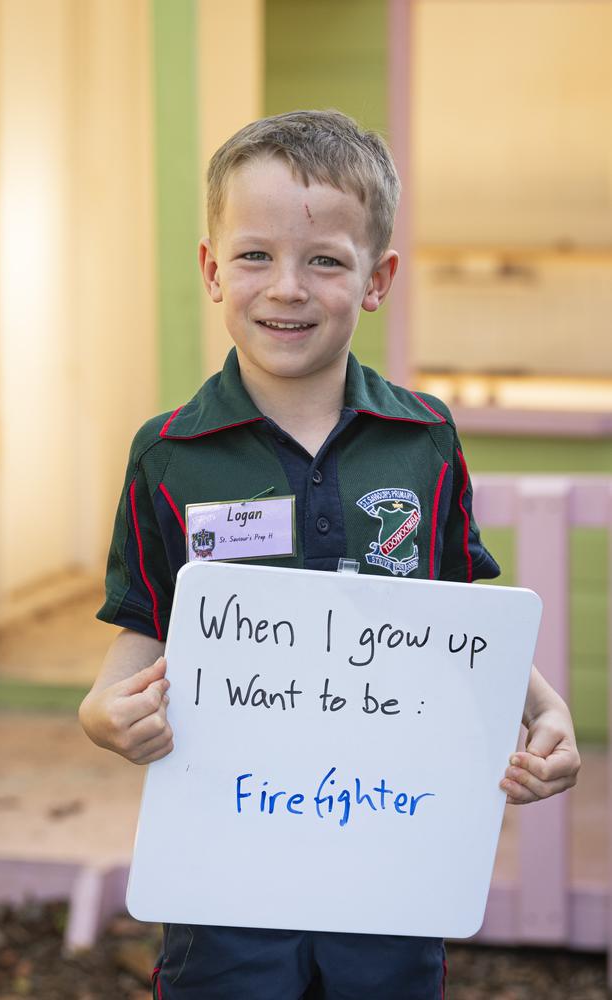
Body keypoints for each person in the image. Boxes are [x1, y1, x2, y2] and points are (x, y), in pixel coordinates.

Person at [79, 109, 580, 999]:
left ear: (377, 278)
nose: (287, 288)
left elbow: (461, 614)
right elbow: (142, 625)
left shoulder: (426, 438)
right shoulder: (167, 454)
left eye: (324, 260)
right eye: (255, 255)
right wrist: (99, 713)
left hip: (391, 862)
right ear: (211, 268)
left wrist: (543, 710)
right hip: (223, 871)